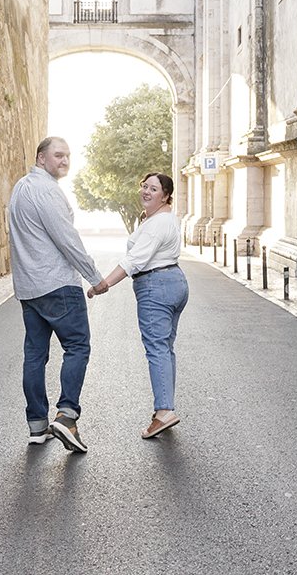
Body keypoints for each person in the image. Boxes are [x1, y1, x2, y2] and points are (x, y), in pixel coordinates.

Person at [6, 137, 103, 453]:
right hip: (57, 285)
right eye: (58, 155)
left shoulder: (20, 188)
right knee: (77, 346)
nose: (64, 160)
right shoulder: (48, 191)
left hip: (28, 288)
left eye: (68, 156)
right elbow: (67, 240)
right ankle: (66, 415)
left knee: (35, 355)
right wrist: (95, 277)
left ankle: (37, 426)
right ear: (41, 157)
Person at [88, 172, 187, 438]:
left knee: (157, 348)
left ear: (166, 195)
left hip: (156, 286)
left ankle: (164, 411)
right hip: (174, 281)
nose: (146, 191)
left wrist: (103, 284)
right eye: (144, 186)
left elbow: (134, 260)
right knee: (164, 348)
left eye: (153, 189)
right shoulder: (163, 219)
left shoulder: (157, 224)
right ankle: (164, 409)